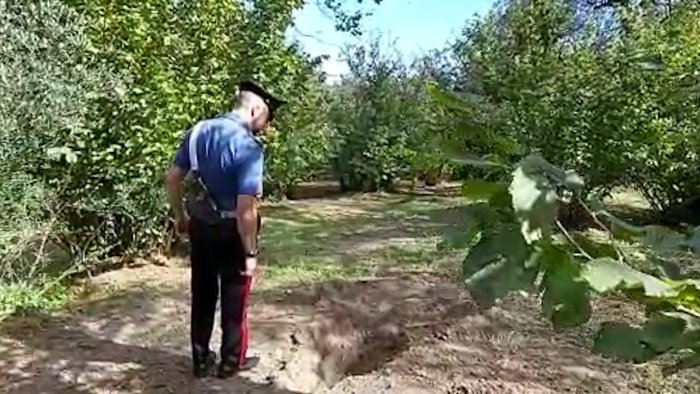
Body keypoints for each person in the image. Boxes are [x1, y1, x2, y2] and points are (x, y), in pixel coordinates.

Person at [164, 81, 285, 379]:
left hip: (200, 229)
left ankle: (200, 359)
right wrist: (251, 252)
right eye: (266, 118)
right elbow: (246, 208)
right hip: (232, 232)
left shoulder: (197, 132)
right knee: (234, 297)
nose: (265, 126)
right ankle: (231, 361)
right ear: (255, 109)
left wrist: (180, 216)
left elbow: (172, 179)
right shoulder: (248, 147)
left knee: (202, 295)